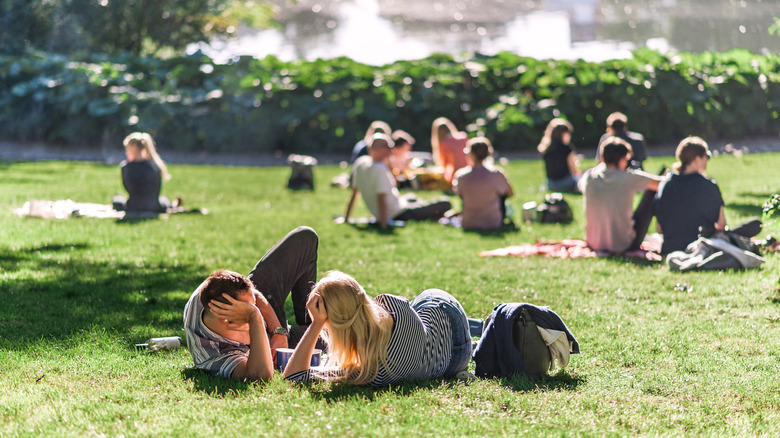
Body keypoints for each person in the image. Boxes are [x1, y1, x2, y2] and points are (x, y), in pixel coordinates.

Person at [283, 271, 472, 386]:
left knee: (417, 313)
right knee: (417, 306)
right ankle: (478, 326)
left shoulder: (368, 373)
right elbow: (368, 315)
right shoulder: (390, 303)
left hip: (452, 364)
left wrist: (316, 323)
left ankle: (478, 327)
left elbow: (293, 376)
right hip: (449, 318)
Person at [183, 227, 319, 380]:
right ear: (227, 321)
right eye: (249, 311)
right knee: (332, 343)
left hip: (275, 330)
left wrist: (277, 331)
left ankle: (307, 322)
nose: (257, 311)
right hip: (260, 353)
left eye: (253, 306)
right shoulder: (214, 354)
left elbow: (253, 292)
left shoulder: (211, 290)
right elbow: (261, 376)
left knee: (305, 237)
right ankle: (310, 332)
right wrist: (254, 317)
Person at [654, 136, 761, 254]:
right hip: (702, 246)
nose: (707, 160)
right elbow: (721, 225)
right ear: (697, 159)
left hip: (671, 247)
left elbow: (660, 228)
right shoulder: (709, 185)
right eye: (706, 156)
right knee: (756, 224)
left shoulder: (665, 184)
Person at [344, 133, 451, 228]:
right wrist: (384, 224)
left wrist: (346, 218)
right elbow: (381, 198)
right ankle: (432, 214)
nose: (392, 150)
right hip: (398, 213)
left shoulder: (361, 163)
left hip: (397, 206)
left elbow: (354, 193)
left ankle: (428, 212)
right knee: (446, 203)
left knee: (412, 197)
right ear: (377, 148)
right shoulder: (379, 169)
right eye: (388, 147)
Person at [579, 137, 661, 253]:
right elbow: (661, 184)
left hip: (594, 243)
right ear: (623, 159)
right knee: (651, 192)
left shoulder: (589, 176)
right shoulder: (628, 177)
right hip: (623, 244)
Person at [452, 137, 514, 230]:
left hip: (468, 222)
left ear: (470, 153)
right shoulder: (496, 173)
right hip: (493, 222)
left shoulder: (461, 175)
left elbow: (459, 194)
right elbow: (510, 193)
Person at [113, 132, 174, 213]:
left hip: (133, 207)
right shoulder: (155, 166)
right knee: (164, 199)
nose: (126, 152)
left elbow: (128, 189)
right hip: (154, 207)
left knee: (117, 199)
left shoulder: (126, 167)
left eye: (127, 149)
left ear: (134, 147)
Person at [538, 118, 581, 192]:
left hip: (551, 184)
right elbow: (573, 171)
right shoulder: (566, 149)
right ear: (564, 134)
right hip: (565, 183)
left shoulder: (547, 150)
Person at [431, 117, 469, 184]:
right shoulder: (463, 136)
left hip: (456, 174)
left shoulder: (444, 143)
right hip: (469, 171)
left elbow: (444, 163)